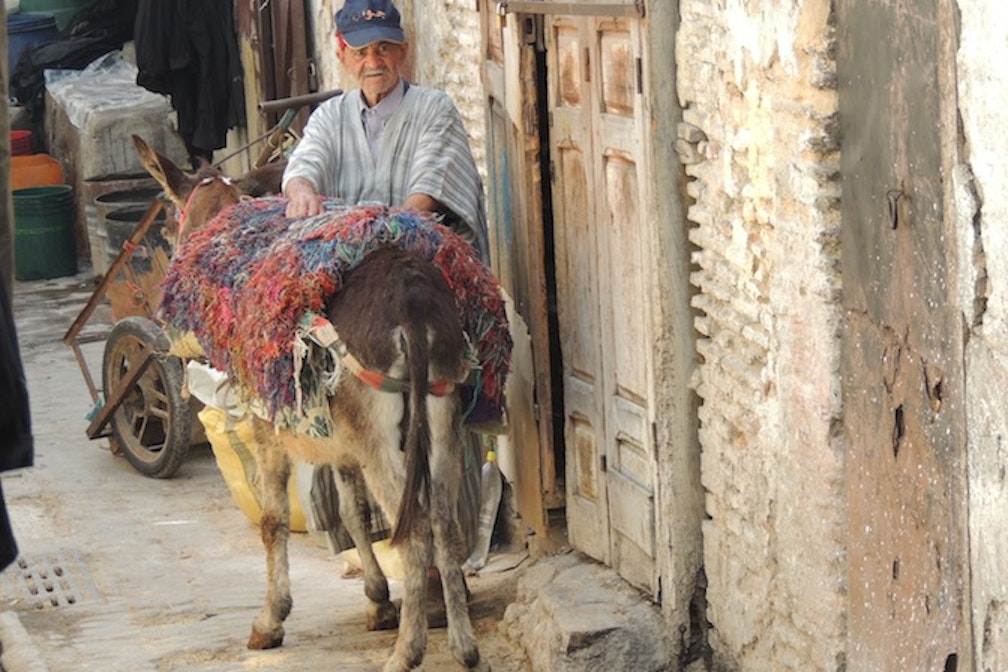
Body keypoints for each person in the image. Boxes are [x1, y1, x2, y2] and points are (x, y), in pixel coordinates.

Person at [282, 0, 490, 262]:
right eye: (360, 52)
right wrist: (302, 193)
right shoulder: (329, 116)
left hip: (421, 259)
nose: (373, 62)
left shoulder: (434, 109)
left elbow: (429, 190)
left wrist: (381, 237)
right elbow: (305, 163)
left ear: (403, 51)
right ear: (342, 56)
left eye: (383, 48)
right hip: (345, 259)